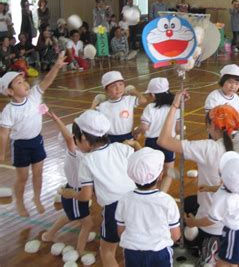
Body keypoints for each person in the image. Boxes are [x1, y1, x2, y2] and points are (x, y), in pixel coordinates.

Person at [158, 97, 239, 266]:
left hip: (214, 222)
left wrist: (175, 105)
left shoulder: (209, 148)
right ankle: (235, 247)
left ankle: (211, 248)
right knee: (189, 203)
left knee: (186, 221)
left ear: (211, 126)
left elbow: (164, 140)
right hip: (237, 217)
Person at [60, 110, 137, 267]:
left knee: (107, 251)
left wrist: (71, 194)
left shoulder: (87, 161)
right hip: (136, 200)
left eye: (75, 139)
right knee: (136, 244)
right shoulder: (120, 147)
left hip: (115, 209)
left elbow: (85, 196)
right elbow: (139, 167)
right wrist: (135, 144)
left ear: (83, 139)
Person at [0, 52, 66, 217]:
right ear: (9, 91)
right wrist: (1, 153)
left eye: (23, 81)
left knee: (38, 173)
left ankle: (37, 198)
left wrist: (56, 66)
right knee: (22, 177)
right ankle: (20, 202)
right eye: (19, 83)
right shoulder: (8, 111)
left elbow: (46, 81)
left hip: (37, 141)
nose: (25, 84)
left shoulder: (34, 96)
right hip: (20, 146)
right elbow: (4, 134)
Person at [185, 151, 239, 267]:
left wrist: (193, 222)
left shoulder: (223, 199)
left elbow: (211, 220)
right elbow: (224, 187)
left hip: (235, 233)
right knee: (235, 256)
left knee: (225, 262)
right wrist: (210, 188)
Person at [116, 148, 181, 267]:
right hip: (160, 254)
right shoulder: (167, 201)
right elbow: (176, 235)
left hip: (132, 254)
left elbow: (121, 232)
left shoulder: (124, 200)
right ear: (160, 176)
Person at [41, 113, 93, 256]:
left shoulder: (80, 154)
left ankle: (49, 234)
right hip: (75, 194)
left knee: (69, 216)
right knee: (88, 224)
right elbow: (69, 138)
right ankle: (80, 251)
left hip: (73, 192)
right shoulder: (74, 154)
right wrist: (57, 119)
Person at [133, 78, 180, 193]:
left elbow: (144, 127)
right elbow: (178, 128)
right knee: (169, 171)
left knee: (152, 170)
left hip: (152, 143)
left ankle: (151, 191)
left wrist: (135, 133)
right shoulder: (175, 108)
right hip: (168, 142)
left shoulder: (150, 108)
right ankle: (161, 195)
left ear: (153, 95)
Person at [94, 71, 147, 143]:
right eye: (113, 86)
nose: (118, 88)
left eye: (121, 84)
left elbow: (143, 100)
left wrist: (134, 91)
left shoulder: (128, 100)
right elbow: (89, 117)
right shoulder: (103, 105)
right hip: (110, 138)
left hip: (128, 136)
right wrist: (95, 103)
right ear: (106, 90)